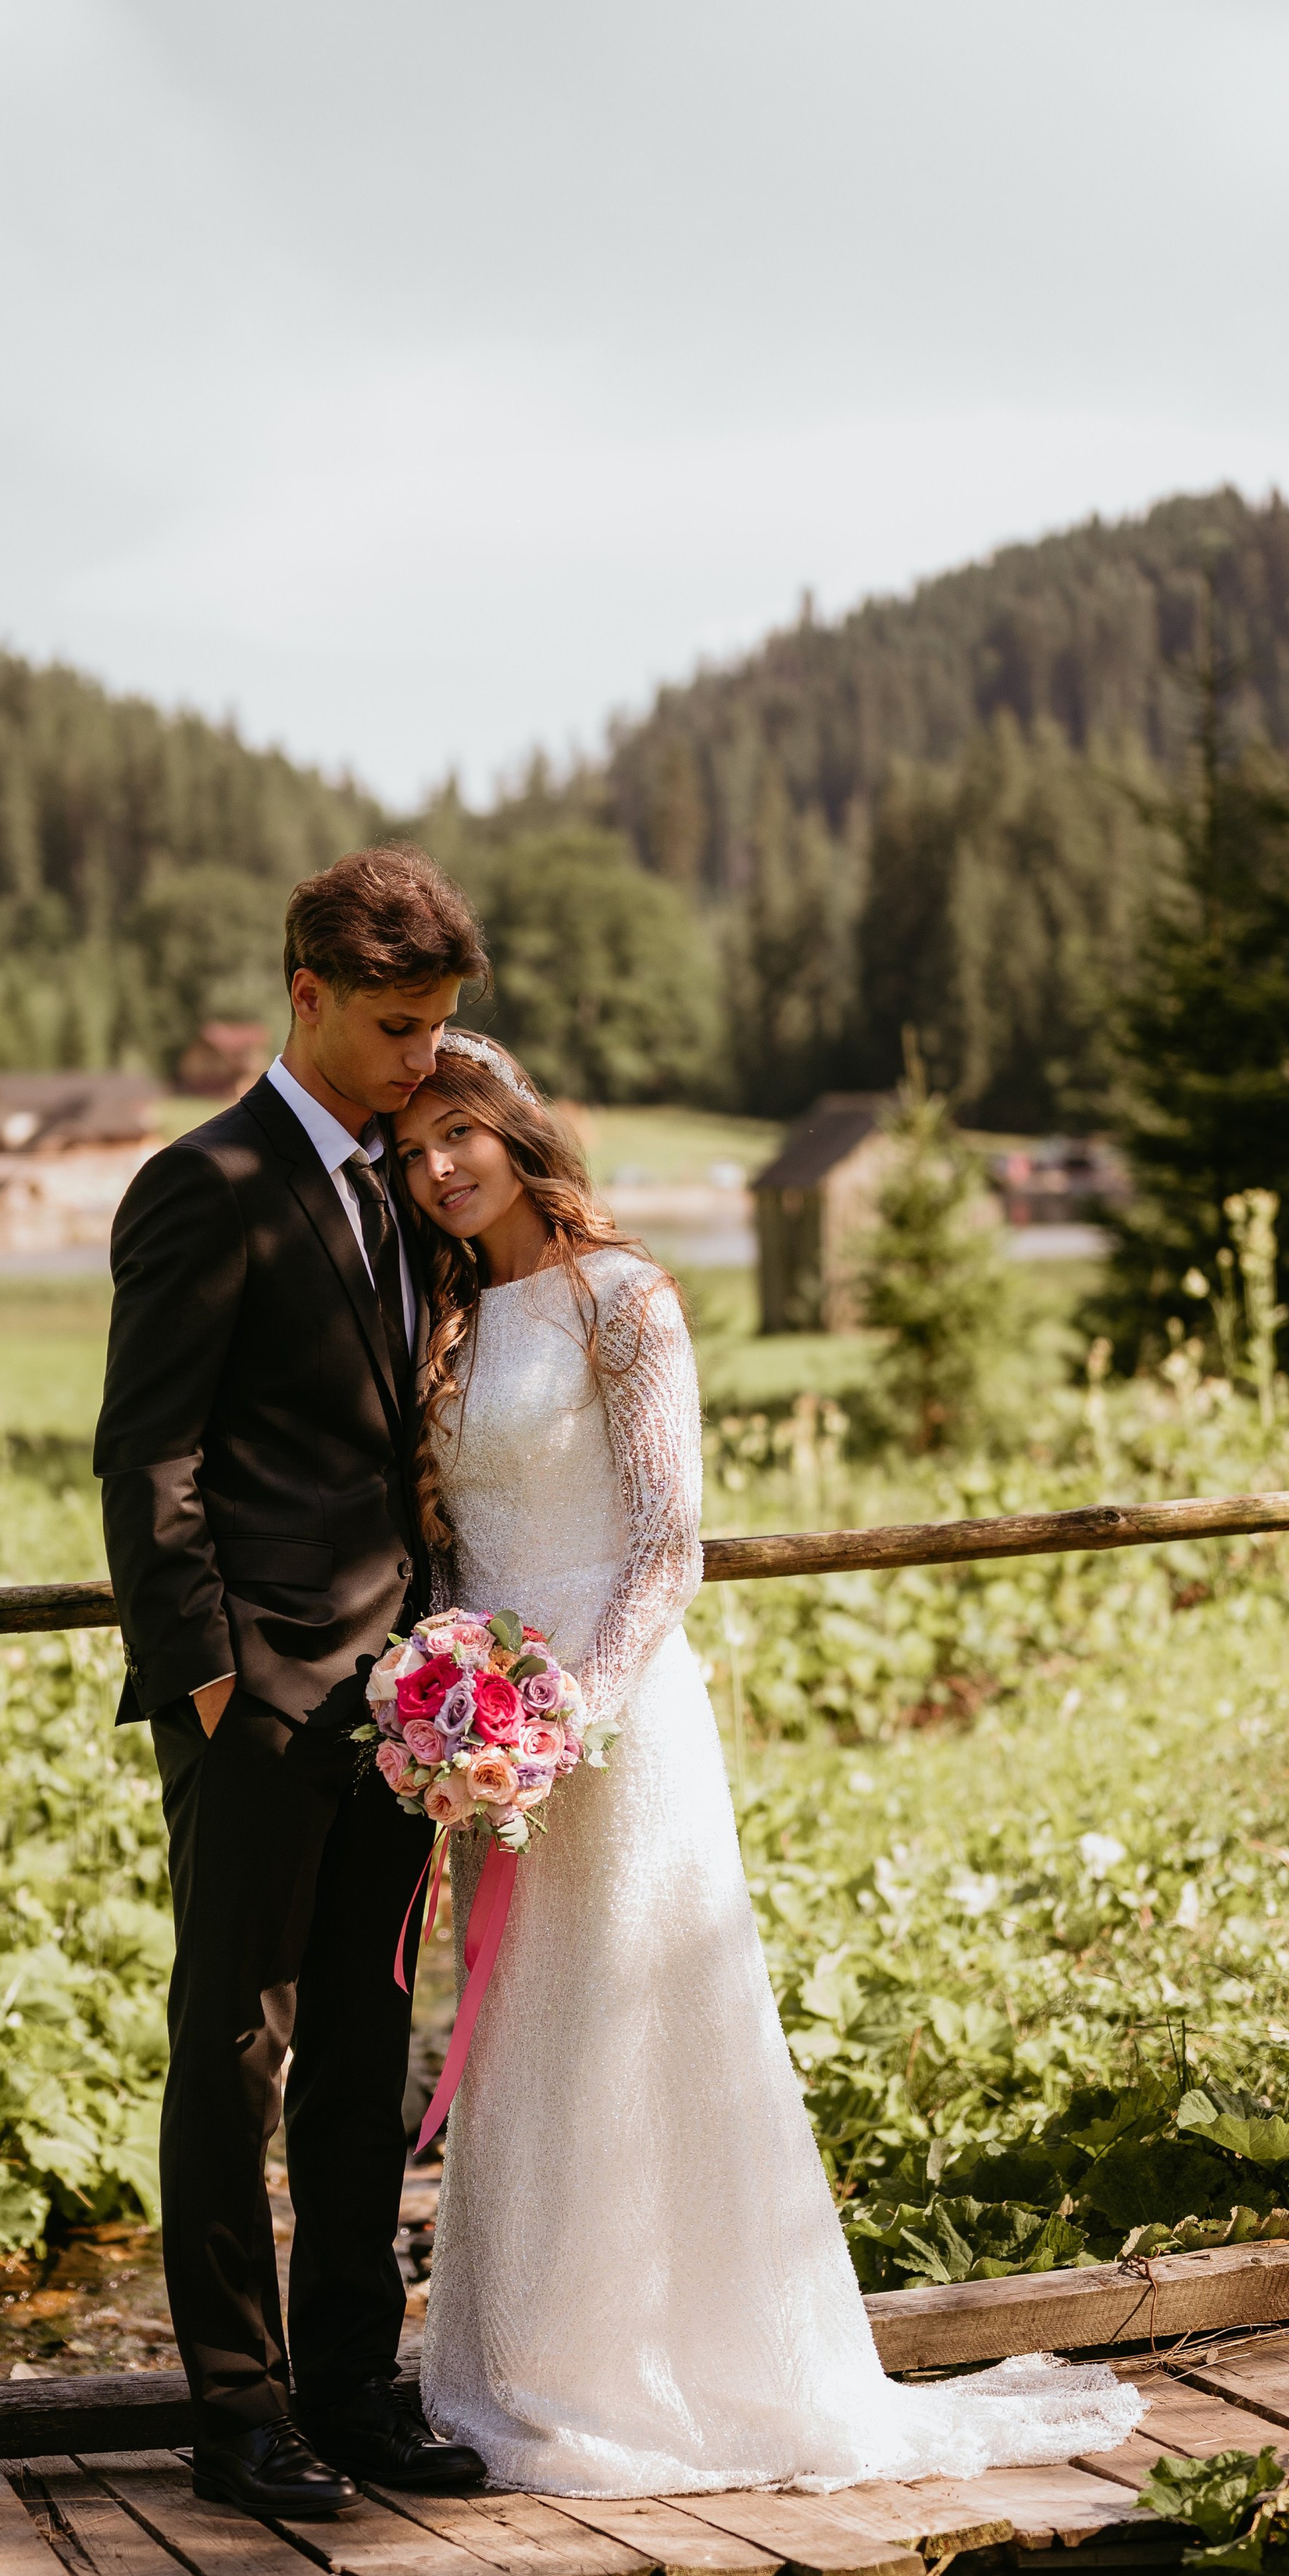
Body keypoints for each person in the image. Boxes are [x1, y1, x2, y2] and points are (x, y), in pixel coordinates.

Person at [392, 1031, 1142, 2496]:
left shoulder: (627, 1301)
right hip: (496, 1744)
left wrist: (570, 1716)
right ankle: (535, 2369)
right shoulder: (458, 1324)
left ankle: (694, 2372)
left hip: (616, 1725)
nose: (439, 1170)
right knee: (533, 2034)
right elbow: (453, 1547)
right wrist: (458, 1717)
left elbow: (668, 1543)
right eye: (414, 1152)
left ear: (516, 1126)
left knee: (647, 2019)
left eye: (460, 1133)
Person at [95, 847, 491, 2517]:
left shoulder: (413, 1177)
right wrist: (209, 1687)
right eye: (395, 1025)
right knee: (233, 2049)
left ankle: (353, 2387)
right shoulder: (206, 1181)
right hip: (255, 1706)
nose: (422, 1058)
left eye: (440, 1028)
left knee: (367, 2050)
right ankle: (241, 2417)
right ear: (307, 995)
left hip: (402, 1712)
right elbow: (146, 1455)